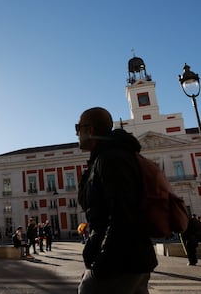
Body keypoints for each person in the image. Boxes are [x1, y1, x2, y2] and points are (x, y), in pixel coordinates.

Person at [77, 107, 158, 294]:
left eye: (78, 127)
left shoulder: (110, 159)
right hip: (131, 258)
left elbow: (122, 214)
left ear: (90, 130)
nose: (76, 133)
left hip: (121, 262)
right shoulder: (106, 157)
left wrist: (102, 264)